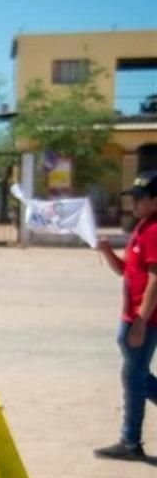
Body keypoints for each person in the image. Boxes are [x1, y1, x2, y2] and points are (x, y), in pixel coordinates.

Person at [95, 171, 157, 461]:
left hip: (143, 320)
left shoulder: (155, 230)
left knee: (134, 378)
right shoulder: (142, 227)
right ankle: (130, 440)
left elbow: (156, 280)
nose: (133, 202)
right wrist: (107, 252)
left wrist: (141, 322)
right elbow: (125, 270)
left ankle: (130, 442)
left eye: (140, 198)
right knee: (137, 376)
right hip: (131, 316)